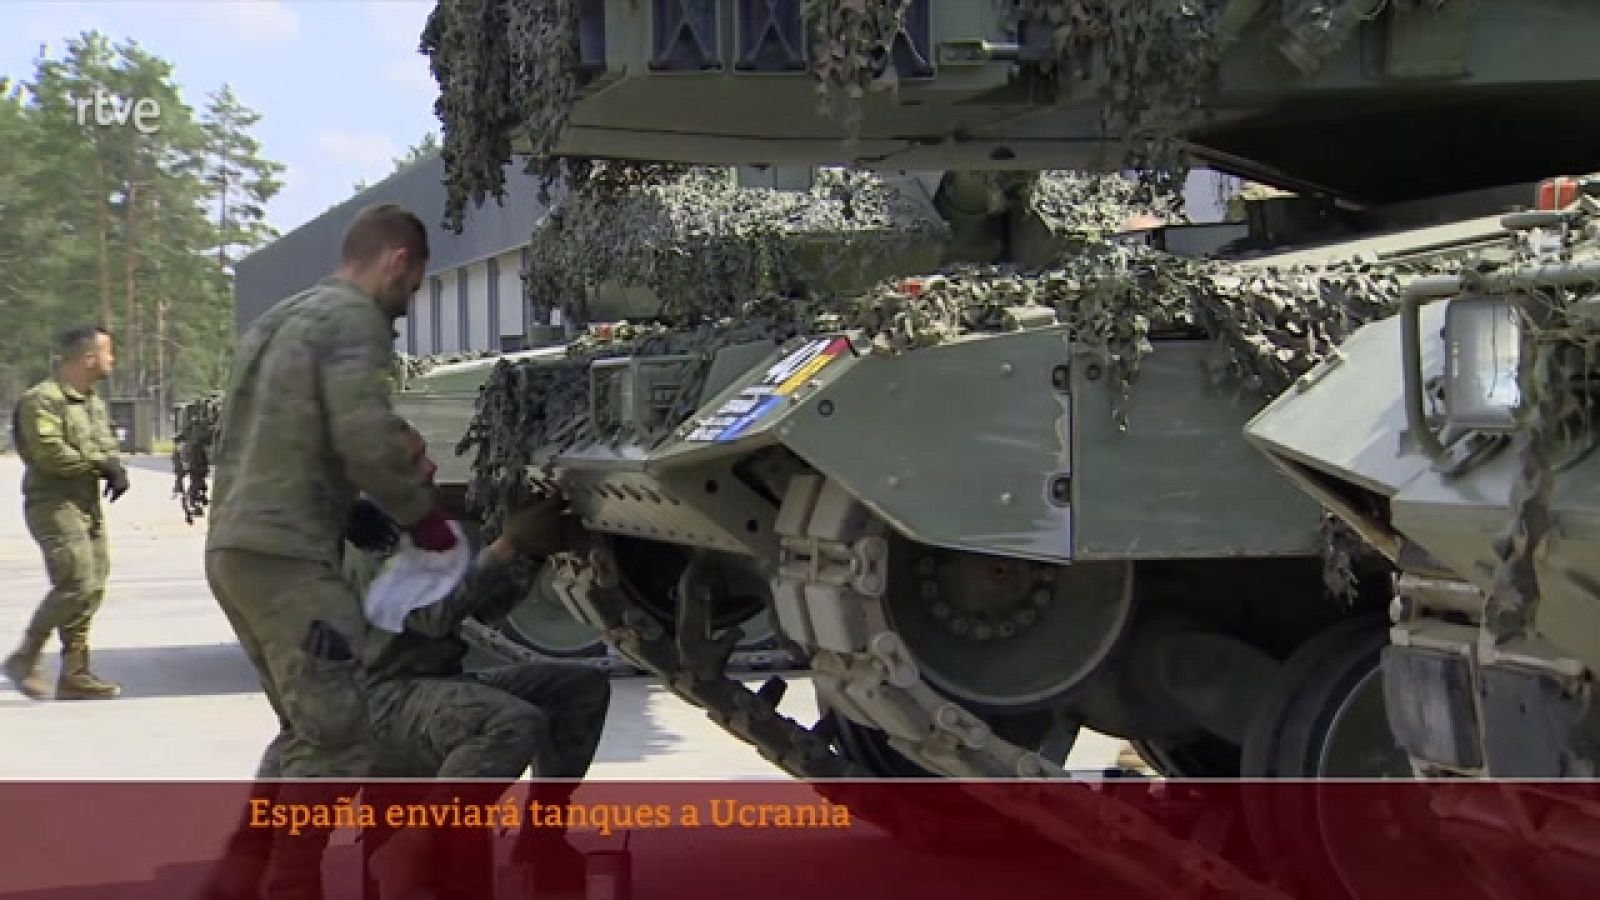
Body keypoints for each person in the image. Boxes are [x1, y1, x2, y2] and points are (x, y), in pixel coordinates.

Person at [202, 203, 457, 899]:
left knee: (304, 723)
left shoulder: (278, 319)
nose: (404, 311)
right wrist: (423, 519)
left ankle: (241, 869)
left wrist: (349, 514)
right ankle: (291, 884)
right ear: (398, 264)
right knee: (338, 733)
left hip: (235, 550)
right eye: (410, 291)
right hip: (287, 557)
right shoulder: (353, 320)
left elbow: (275, 434)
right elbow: (364, 433)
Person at [5, 324, 129, 701]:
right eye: (108, 352)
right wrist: (100, 465)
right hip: (53, 504)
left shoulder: (92, 402)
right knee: (76, 580)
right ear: (89, 357)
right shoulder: (42, 400)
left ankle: (75, 673)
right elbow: (50, 453)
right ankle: (25, 656)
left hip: (86, 504)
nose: (113, 359)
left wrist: (112, 465)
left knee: (92, 587)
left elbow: (105, 444)